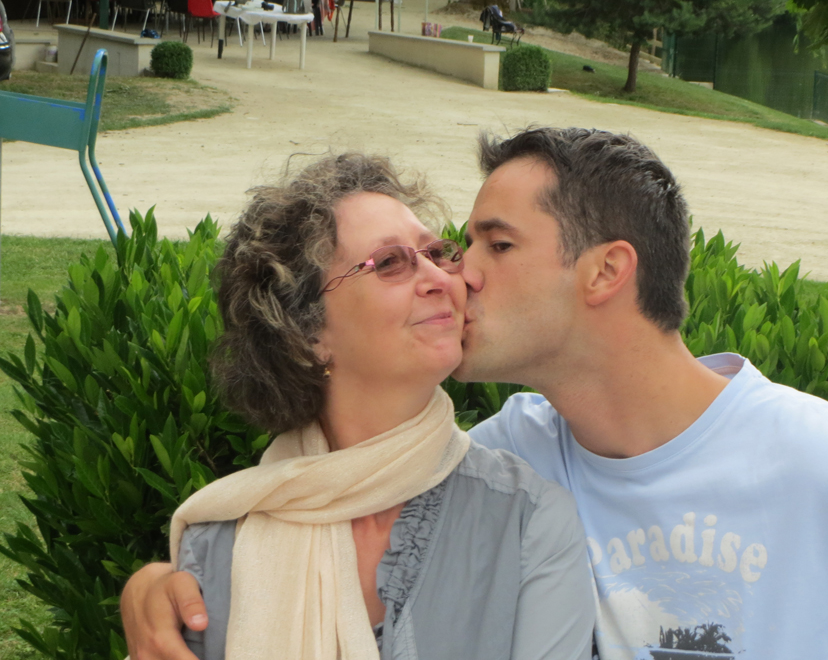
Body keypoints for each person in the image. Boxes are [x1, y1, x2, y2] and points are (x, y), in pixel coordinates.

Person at [122, 129, 828, 660]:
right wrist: (157, 586)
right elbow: (338, 491)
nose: (459, 275)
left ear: (604, 273)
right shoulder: (509, 459)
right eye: (452, 249)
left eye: (495, 245)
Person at [122, 153, 595, 660]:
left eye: (436, 253)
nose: (440, 278)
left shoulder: (527, 521)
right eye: (390, 263)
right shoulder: (217, 544)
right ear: (306, 333)